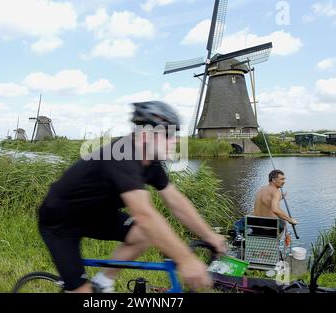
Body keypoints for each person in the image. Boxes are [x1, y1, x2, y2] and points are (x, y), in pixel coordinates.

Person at [37, 101, 227, 293]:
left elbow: (176, 202)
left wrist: (208, 234)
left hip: (96, 216)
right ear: (145, 136)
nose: (176, 140)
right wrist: (185, 260)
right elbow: (145, 215)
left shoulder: (150, 162)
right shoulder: (121, 155)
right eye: (169, 134)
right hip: (60, 223)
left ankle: (102, 282)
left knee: (143, 234)